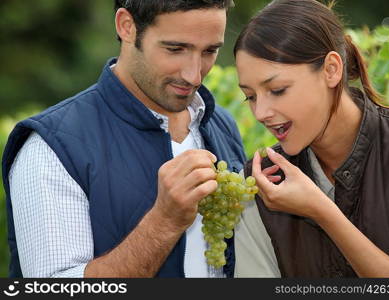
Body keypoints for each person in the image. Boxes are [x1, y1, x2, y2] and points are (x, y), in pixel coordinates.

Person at [2, 0, 246, 278]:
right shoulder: (51, 145)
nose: (194, 75)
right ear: (126, 26)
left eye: (210, 51)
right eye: (175, 49)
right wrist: (164, 222)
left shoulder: (221, 124)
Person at [233, 0, 389, 278]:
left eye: (278, 90)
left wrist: (322, 211)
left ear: (331, 69)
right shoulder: (261, 182)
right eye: (250, 96)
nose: (261, 112)